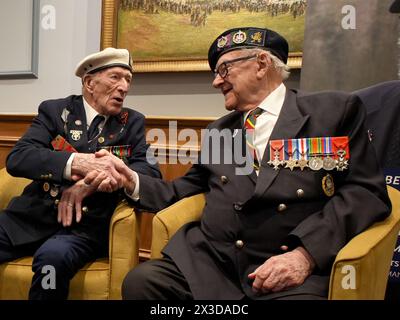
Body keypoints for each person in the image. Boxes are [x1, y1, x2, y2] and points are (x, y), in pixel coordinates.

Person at [119, 27, 391, 300]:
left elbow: (364, 192)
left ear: (261, 64)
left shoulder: (331, 112)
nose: (216, 82)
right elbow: (183, 190)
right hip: (214, 265)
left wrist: (305, 255)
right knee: (143, 282)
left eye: (224, 69)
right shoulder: (220, 130)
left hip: (289, 266)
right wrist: (130, 180)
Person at [0, 47, 161, 300]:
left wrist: (99, 180)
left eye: (128, 80)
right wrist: (77, 163)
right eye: (115, 77)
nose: (124, 87)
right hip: (30, 218)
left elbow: (151, 173)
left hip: (82, 229)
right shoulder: (55, 111)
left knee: (51, 262)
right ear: (89, 82)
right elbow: (19, 157)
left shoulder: (132, 123)